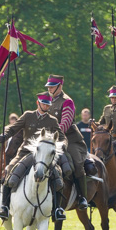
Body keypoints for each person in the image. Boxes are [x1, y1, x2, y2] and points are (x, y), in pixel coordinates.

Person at [0, 92, 65, 221]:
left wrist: (63, 145)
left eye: (48, 105)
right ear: (38, 103)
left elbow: (62, 137)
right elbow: (13, 128)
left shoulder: (52, 120)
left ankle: (57, 209)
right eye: (44, 104)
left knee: (58, 178)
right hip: (25, 153)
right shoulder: (28, 115)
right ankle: (4, 207)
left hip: (43, 156)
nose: (46, 107)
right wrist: (5, 135)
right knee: (9, 171)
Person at [45, 75, 88, 211]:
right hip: (48, 140)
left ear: (60, 86)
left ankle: (82, 197)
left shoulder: (67, 102)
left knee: (77, 164)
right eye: (49, 86)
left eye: (52, 86)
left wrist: (53, 136)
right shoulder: (46, 100)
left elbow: (65, 123)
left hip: (70, 140)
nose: (50, 88)